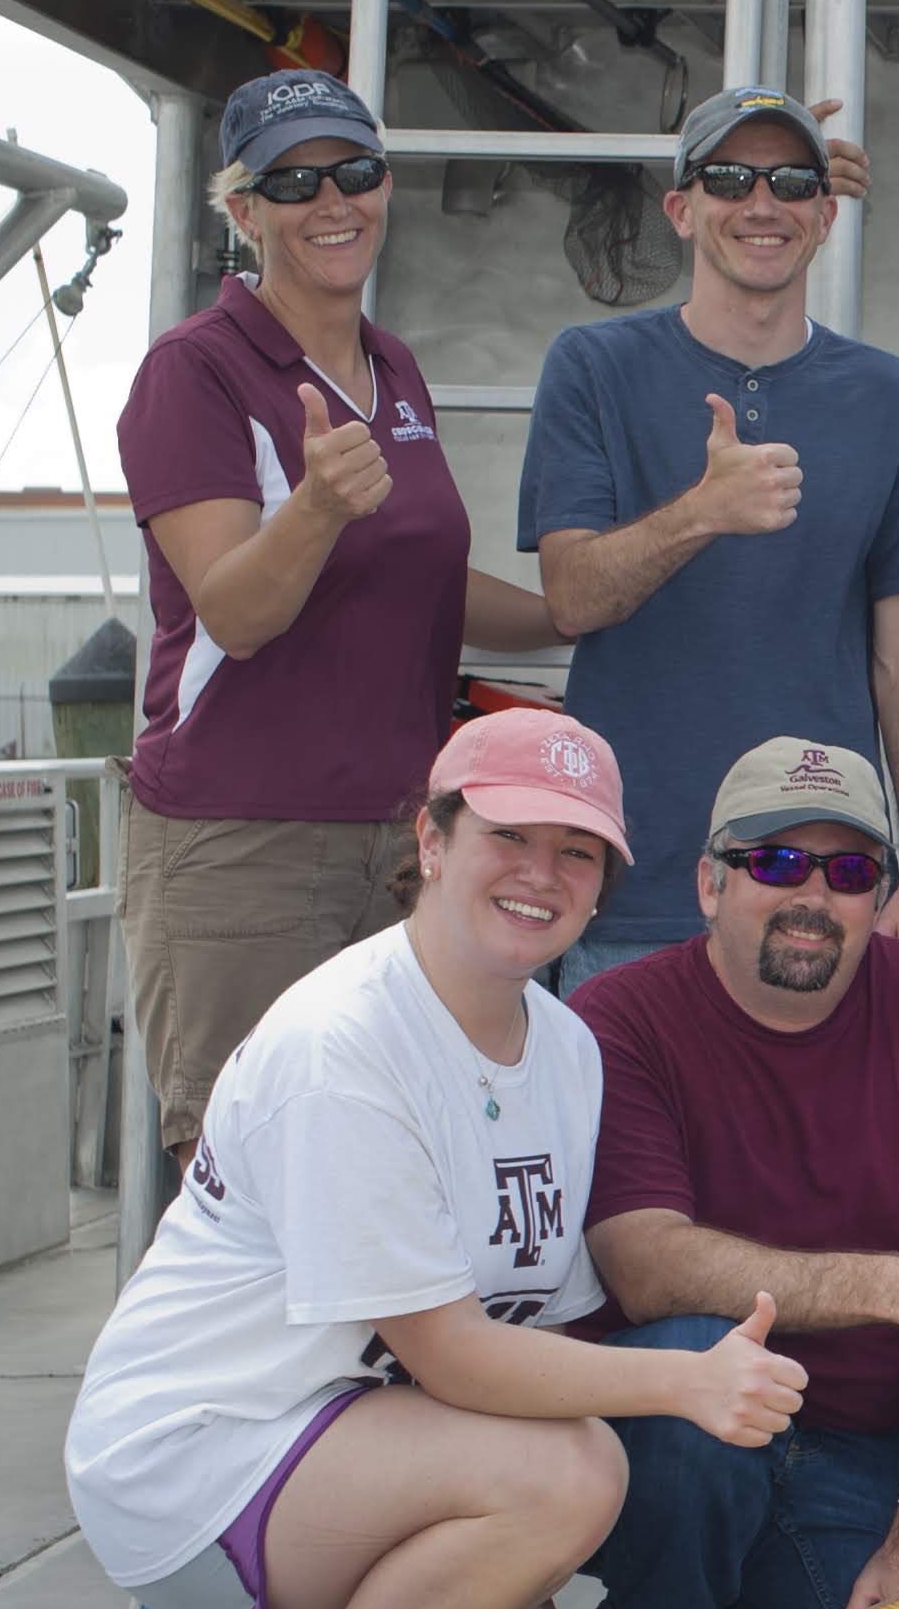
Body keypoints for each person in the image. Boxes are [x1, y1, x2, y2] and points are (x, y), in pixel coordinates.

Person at [75, 712, 806, 1609]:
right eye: (507, 834)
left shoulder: (565, 1050)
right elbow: (461, 1361)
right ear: (430, 837)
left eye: (578, 853)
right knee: (572, 1471)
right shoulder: (345, 1042)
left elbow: (538, 1320)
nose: (541, 875)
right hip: (201, 1462)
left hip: (367, 1467)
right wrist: (688, 1381)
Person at [115, 71, 568, 1156]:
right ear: (244, 211)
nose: (332, 201)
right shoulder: (194, 373)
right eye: (293, 180)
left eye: (354, 172)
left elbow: (424, 583)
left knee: (402, 1160)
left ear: (386, 185)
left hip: (402, 841)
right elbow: (235, 613)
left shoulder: (391, 363)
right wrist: (317, 505)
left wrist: (583, 611)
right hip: (244, 844)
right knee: (254, 1181)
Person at [559, 738, 899, 1609]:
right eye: (774, 861)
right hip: (678, 1437)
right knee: (702, 1357)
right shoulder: (618, 1015)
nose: (813, 894)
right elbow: (643, 1265)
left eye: (850, 871)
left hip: (863, 1446)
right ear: (707, 881)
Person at [521, 87, 899, 981]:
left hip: (823, 882)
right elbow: (570, 597)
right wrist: (701, 512)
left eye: (792, 180)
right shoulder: (591, 364)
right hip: (631, 884)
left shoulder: (891, 394)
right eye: (729, 177)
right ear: (681, 210)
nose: (762, 203)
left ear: (825, 214)